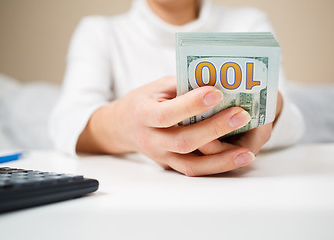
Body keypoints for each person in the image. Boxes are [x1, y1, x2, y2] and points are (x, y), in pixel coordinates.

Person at [50, 0, 304, 176]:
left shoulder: (249, 22)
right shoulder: (100, 31)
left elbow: (294, 123)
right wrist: (126, 125)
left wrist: (273, 108)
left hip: (242, 188)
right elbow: (65, 123)